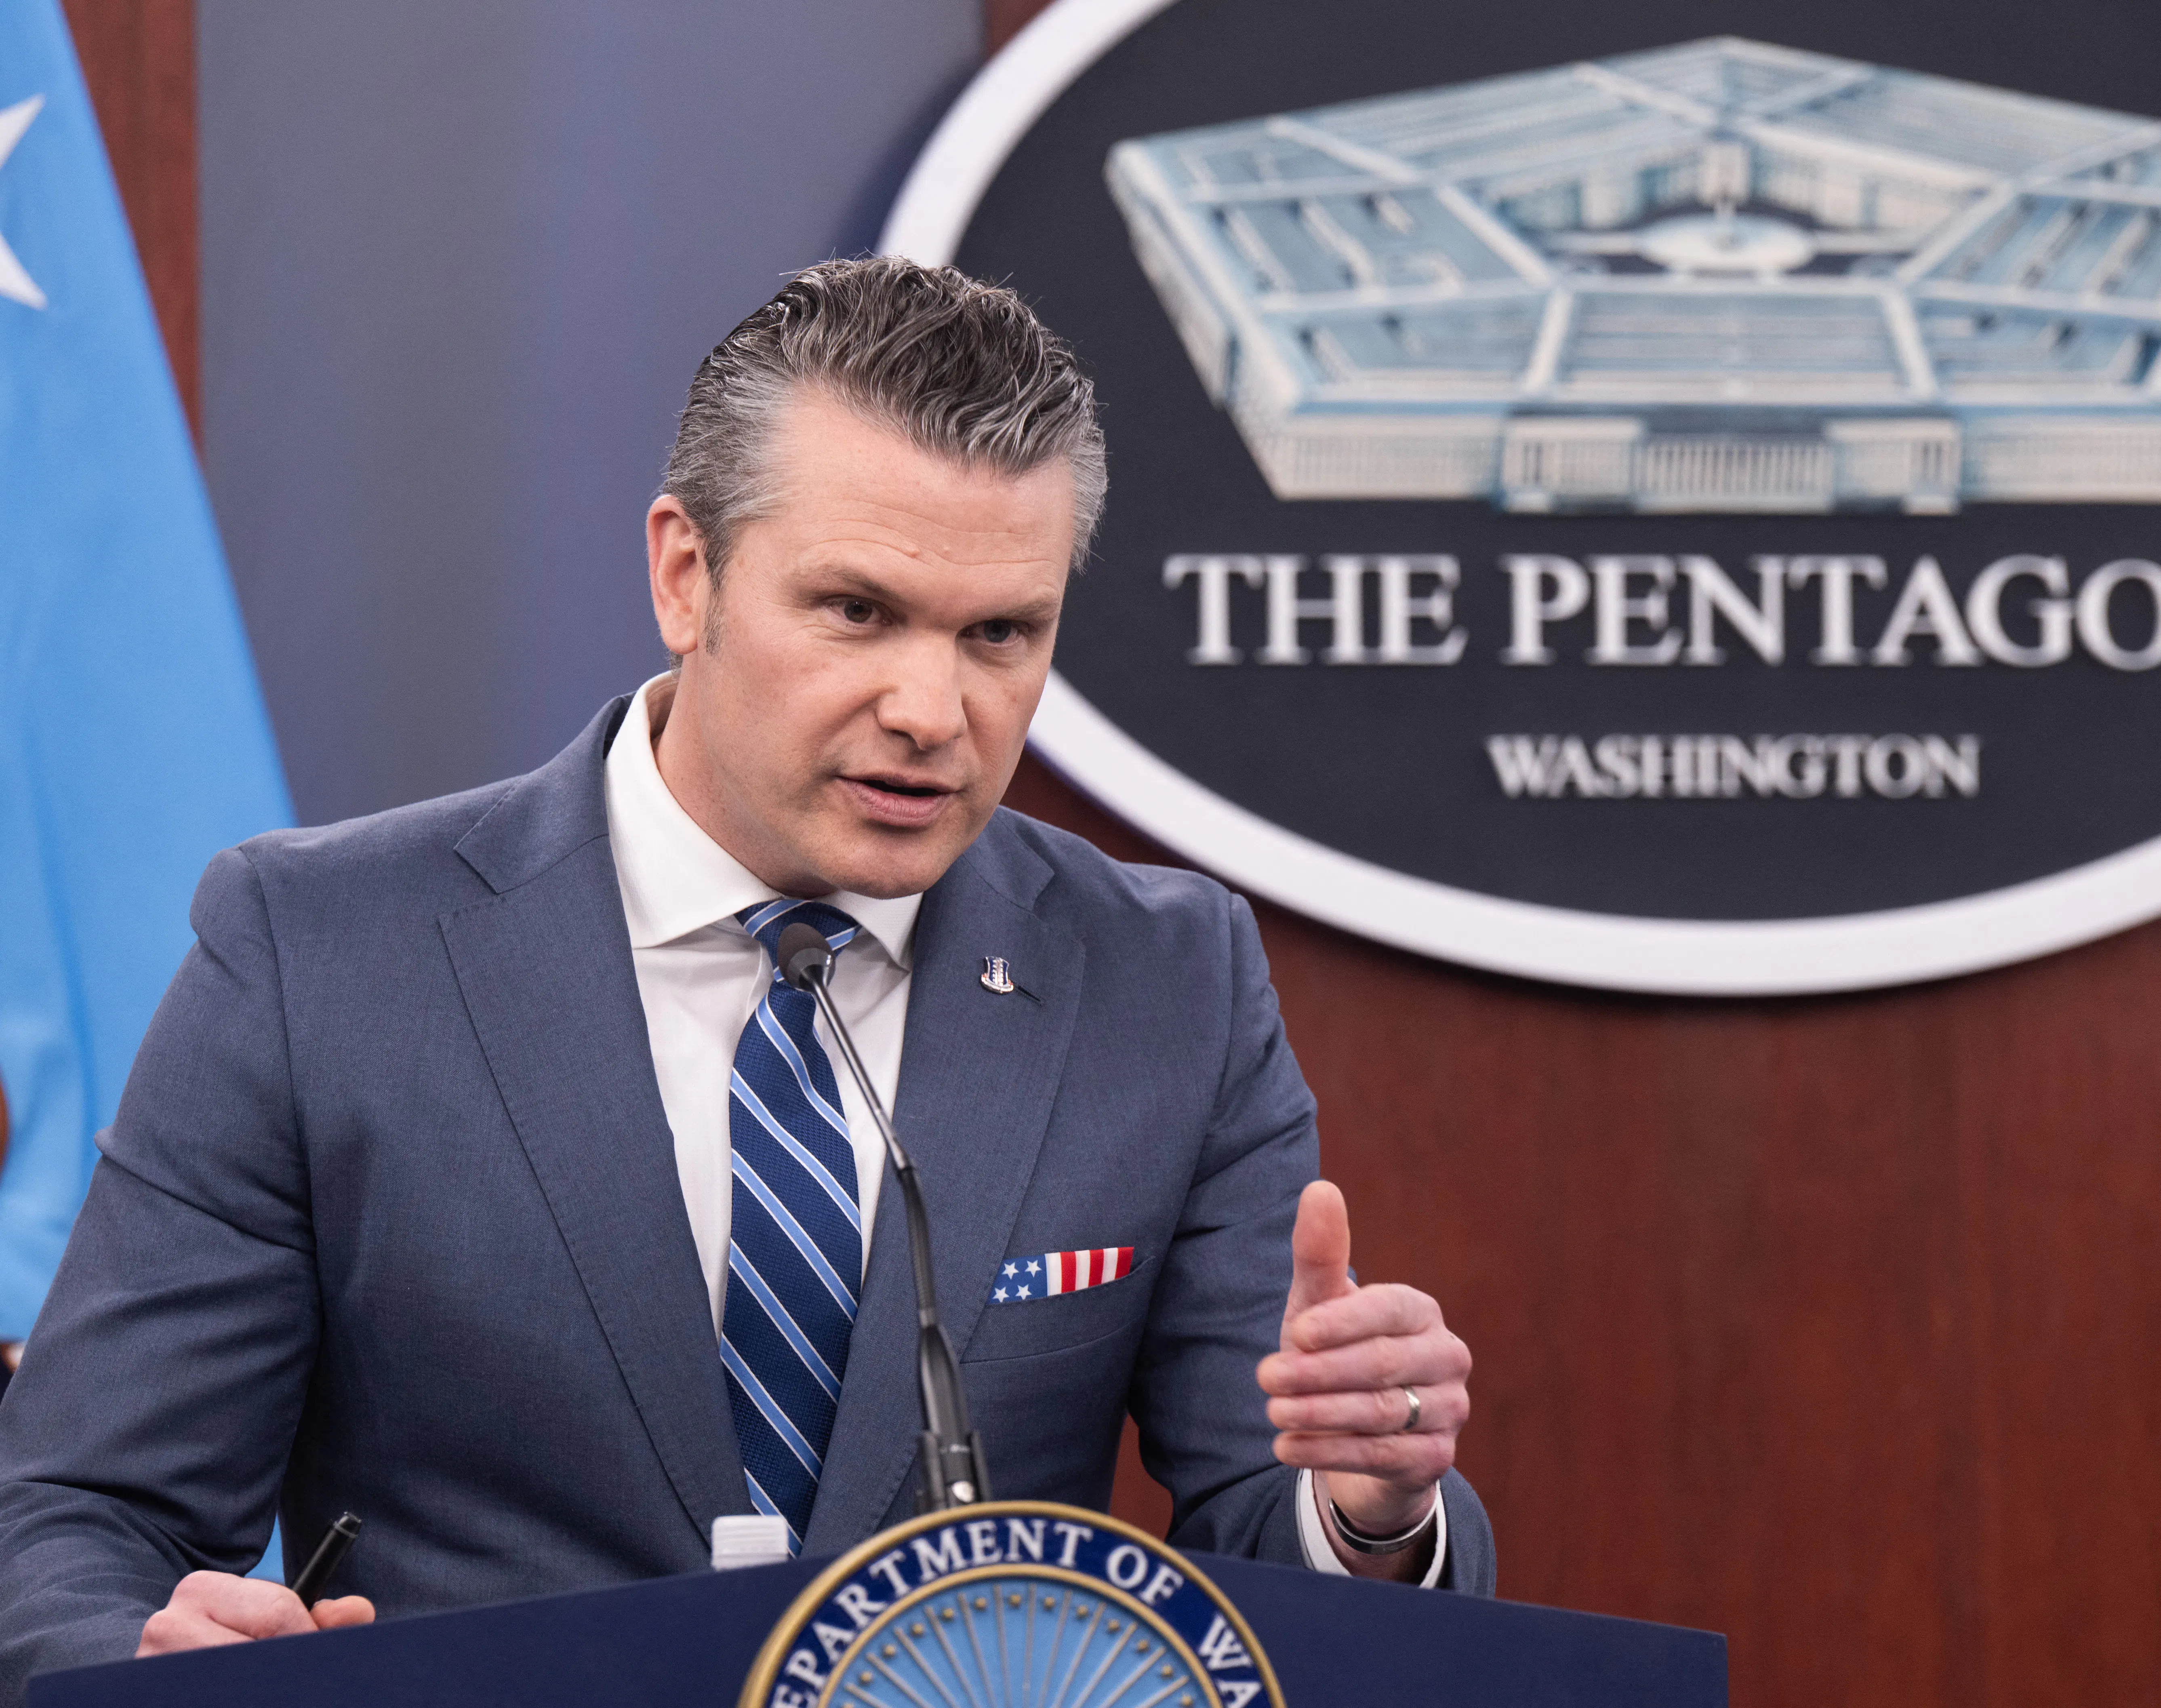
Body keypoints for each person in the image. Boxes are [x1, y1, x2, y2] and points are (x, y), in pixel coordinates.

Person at [0, 258, 1486, 1691]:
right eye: (857, 612)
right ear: (685, 574)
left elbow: (1263, 1550)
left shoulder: (1164, 978)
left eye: (999, 636)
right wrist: (153, 1661)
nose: (931, 708)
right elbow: (73, 1520)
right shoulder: (321, 952)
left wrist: (1368, 1513)